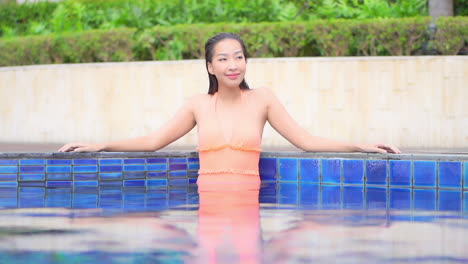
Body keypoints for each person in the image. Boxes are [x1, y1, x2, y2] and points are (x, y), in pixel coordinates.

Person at [59, 32, 401, 187]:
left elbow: (306, 140)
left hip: (248, 204)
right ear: (210, 67)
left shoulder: (262, 99)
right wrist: (100, 145)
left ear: (246, 62)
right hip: (207, 204)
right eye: (223, 59)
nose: (233, 64)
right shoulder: (197, 105)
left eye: (238, 57)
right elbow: (153, 141)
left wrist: (360, 145)